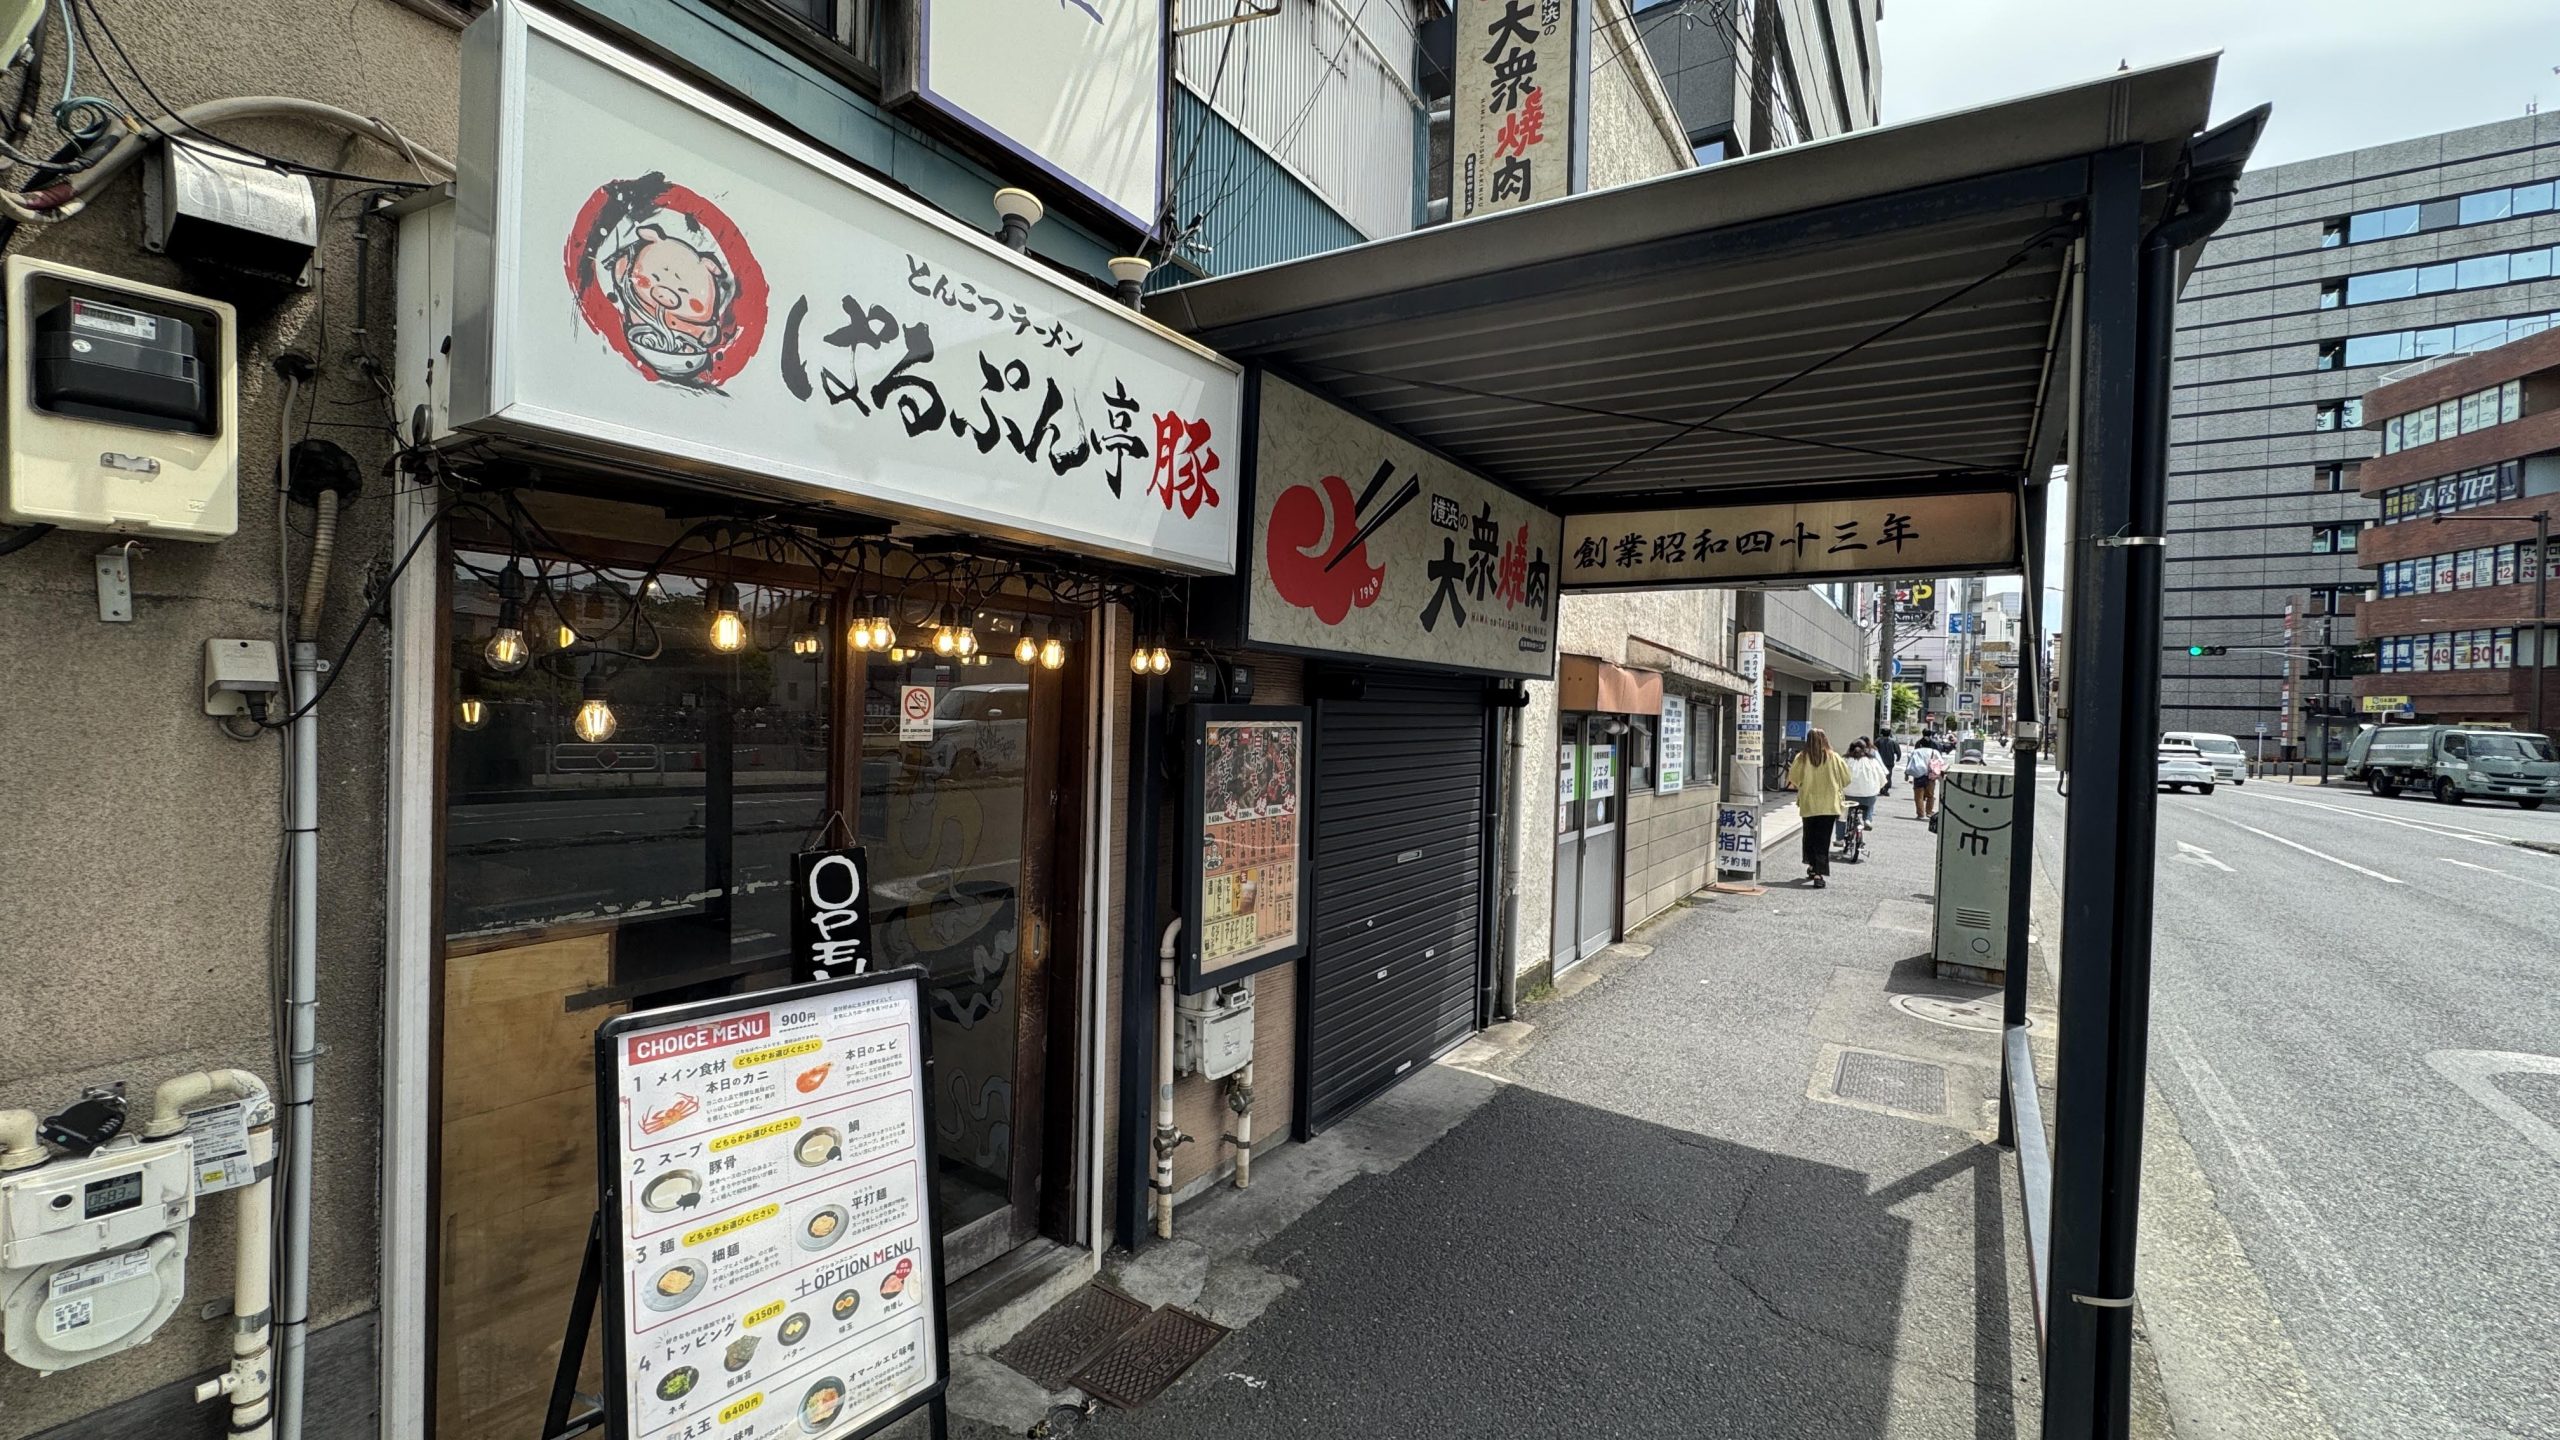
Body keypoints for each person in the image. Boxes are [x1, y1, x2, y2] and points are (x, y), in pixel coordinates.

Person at [1784, 728, 1853, 888]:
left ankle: (1812, 865)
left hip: (1809, 804)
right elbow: (1847, 778)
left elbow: (1793, 778)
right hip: (1829, 804)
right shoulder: (1834, 757)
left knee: (1809, 836)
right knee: (1823, 839)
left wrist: (1805, 784)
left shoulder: (1802, 758)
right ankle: (1818, 874)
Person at [1844, 740, 1888, 834]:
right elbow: (1882, 778)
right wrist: (1878, 788)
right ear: (1866, 750)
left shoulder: (1845, 761)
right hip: (1868, 796)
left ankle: (1840, 836)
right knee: (1870, 803)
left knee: (1843, 814)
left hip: (1847, 796)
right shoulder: (1872, 761)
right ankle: (1867, 819)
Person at [1905, 731, 1946, 820]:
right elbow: (1941, 762)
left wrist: (1906, 774)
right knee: (1930, 795)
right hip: (1930, 776)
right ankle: (1929, 812)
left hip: (1918, 775)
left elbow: (1909, 762)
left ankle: (1920, 814)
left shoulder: (1915, 751)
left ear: (1921, 744)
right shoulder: (1934, 752)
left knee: (1918, 796)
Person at [1875, 731, 1902, 796]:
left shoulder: (1878, 741)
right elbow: (1898, 751)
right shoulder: (1893, 742)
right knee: (1888, 776)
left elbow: (1874, 749)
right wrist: (1898, 757)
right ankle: (1886, 789)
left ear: (1882, 733)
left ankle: (1881, 788)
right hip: (1889, 762)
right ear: (1889, 734)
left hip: (1880, 761)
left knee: (1879, 775)